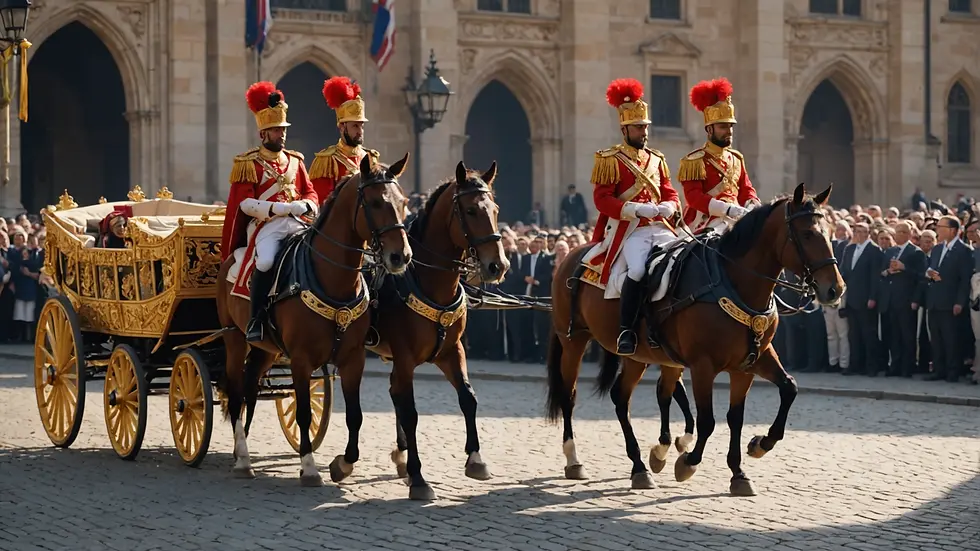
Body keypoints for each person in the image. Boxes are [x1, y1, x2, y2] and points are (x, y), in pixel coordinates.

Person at [581, 78, 680, 356]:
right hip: (630, 231)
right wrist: (636, 209)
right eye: (638, 128)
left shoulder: (657, 159)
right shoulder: (609, 159)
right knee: (637, 271)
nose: (643, 133)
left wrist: (670, 206)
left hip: (660, 227)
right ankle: (627, 329)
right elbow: (602, 200)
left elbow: (670, 192)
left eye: (645, 127)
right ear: (625, 128)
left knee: (681, 263)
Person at [220, 81, 319, 343]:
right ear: (264, 133)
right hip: (266, 227)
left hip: (299, 222)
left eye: (283, 129)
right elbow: (246, 204)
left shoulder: (296, 161)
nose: (281, 135)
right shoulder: (248, 163)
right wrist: (281, 208)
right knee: (264, 262)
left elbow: (311, 193)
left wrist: (307, 205)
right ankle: (257, 317)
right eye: (276, 130)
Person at [678, 77, 761, 234]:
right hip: (704, 223)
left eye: (730, 126)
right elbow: (694, 197)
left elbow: (747, 190)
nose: (729, 131)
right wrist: (727, 209)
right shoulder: (694, 161)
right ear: (709, 130)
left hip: (736, 220)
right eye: (723, 127)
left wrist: (751, 205)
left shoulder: (736, 159)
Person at [308, 76, 380, 201]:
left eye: (361, 126)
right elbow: (323, 203)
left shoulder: (370, 158)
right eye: (355, 126)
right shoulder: (327, 161)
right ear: (342, 127)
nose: (360, 131)